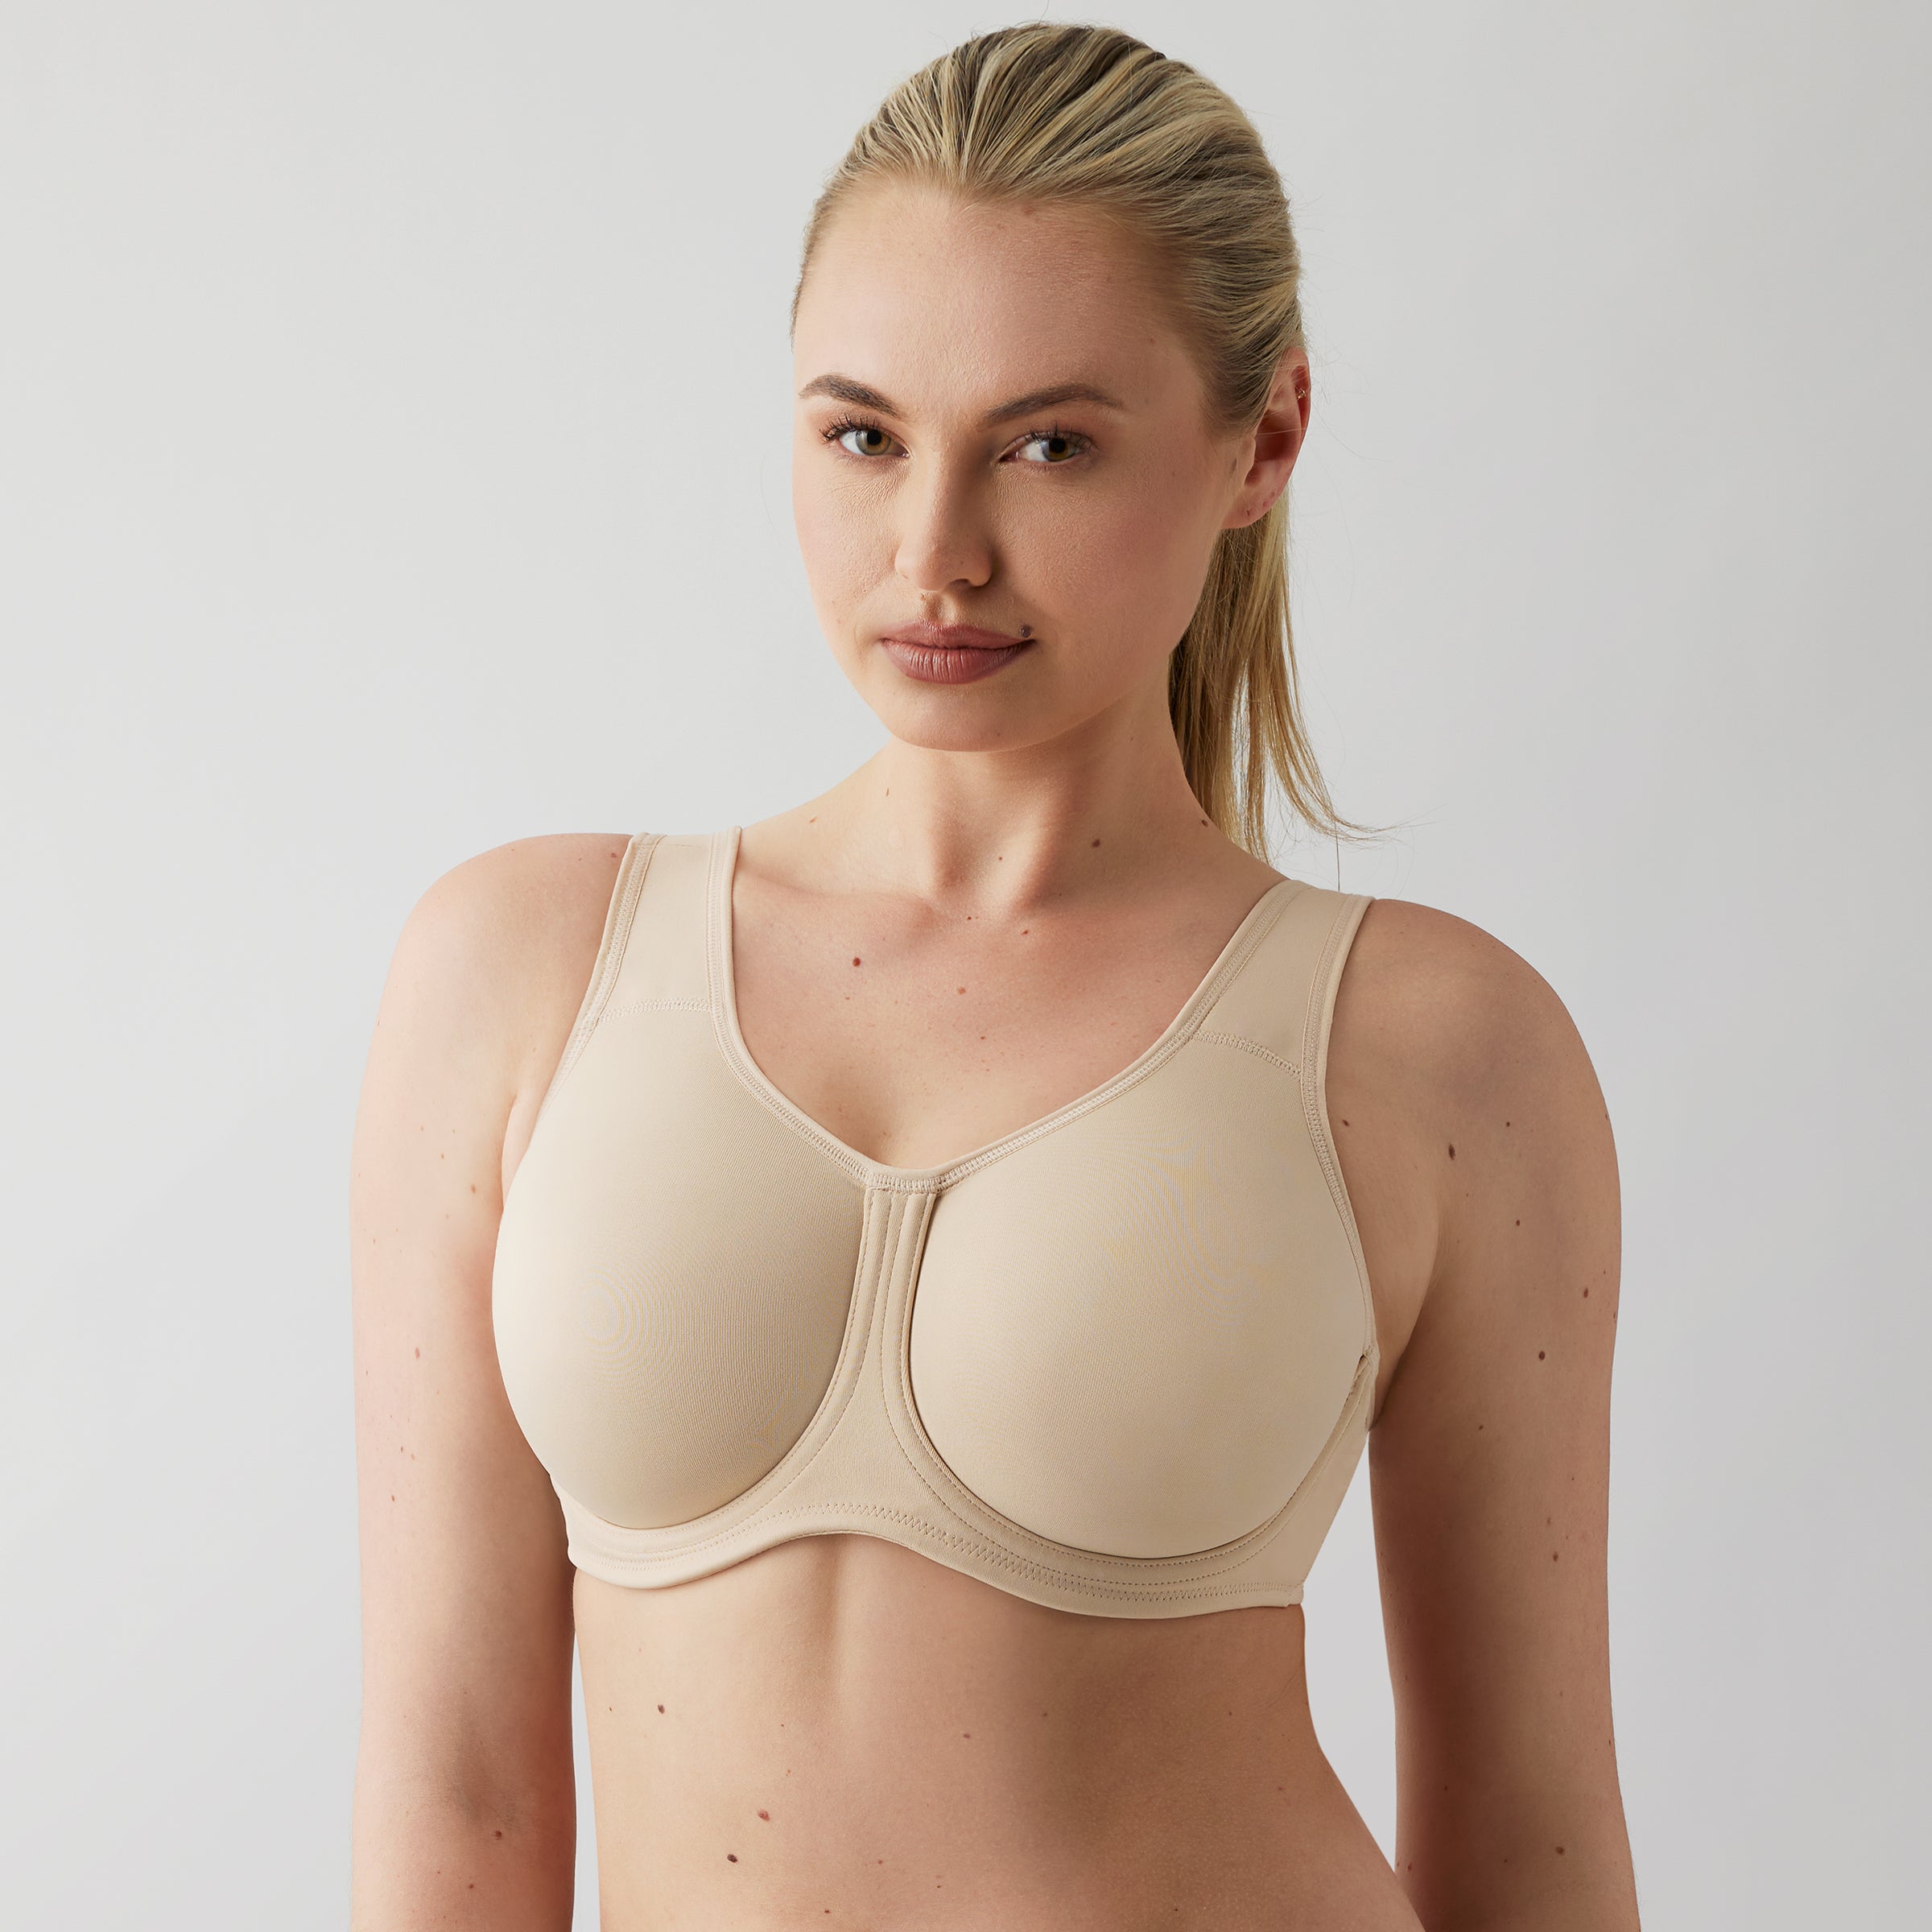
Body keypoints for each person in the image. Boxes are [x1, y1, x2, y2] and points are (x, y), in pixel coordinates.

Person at [348, 23, 1639, 1930]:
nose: (933, 553)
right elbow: (454, 1784)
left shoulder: (1435, 1052)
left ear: (1263, 441)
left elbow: (1530, 1833)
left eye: (1048, 445)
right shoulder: (526, 972)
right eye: (864, 436)